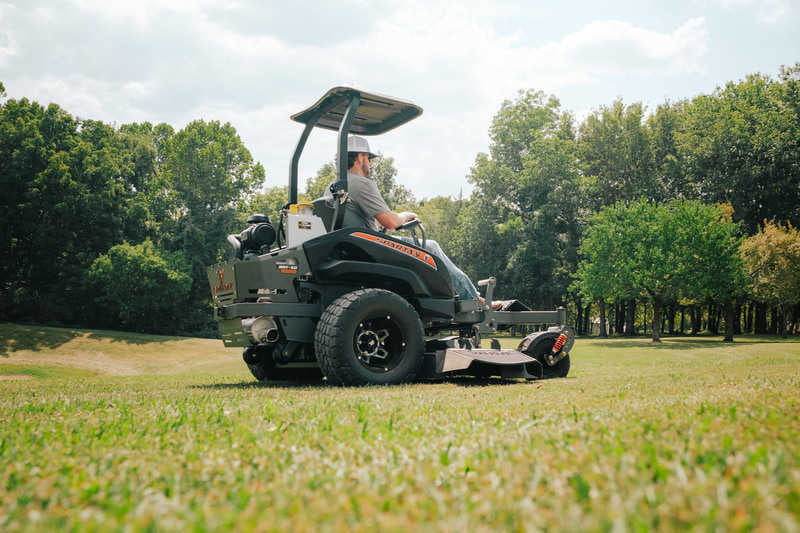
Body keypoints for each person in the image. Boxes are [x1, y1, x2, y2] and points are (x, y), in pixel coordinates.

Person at [328, 135, 492, 306]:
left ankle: (465, 295)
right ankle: (473, 299)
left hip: (352, 246)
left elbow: (365, 220)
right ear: (360, 157)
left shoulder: (334, 186)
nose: (369, 164)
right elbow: (391, 222)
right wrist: (406, 214)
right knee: (431, 247)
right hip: (369, 248)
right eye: (369, 159)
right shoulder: (361, 183)